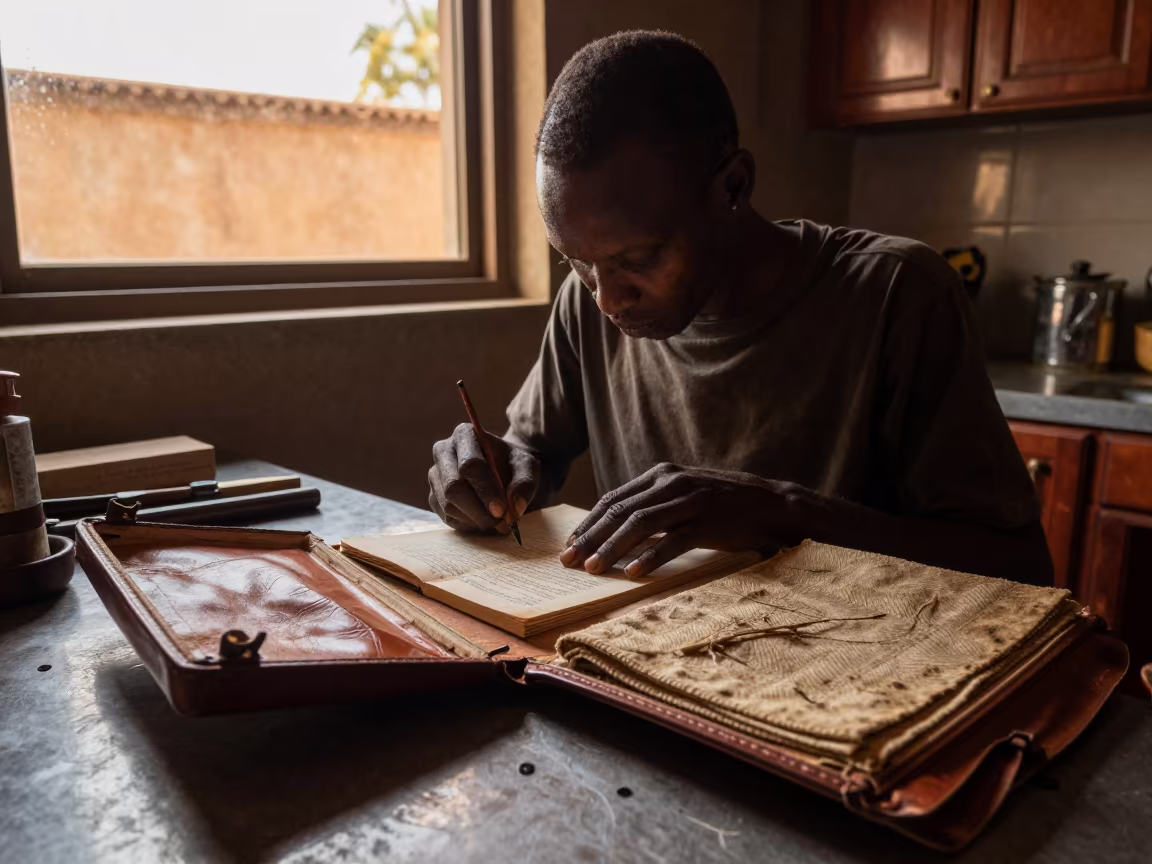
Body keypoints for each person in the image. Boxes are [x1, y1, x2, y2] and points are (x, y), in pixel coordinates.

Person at [427, 30, 1053, 587]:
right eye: (576, 261)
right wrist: (494, 473)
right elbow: (532, 455)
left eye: (640, 259)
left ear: (732, 187)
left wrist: (784, 514)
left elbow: (1020, 565)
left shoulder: (897, 295)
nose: (608, 298)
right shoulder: (585, 303)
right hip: (655, 662)